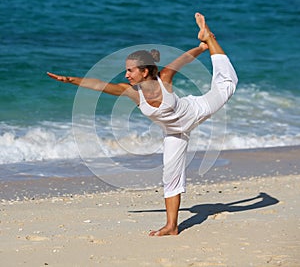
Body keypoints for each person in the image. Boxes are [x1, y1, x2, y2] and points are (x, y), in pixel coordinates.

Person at [47, 12, 238, 236]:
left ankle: (210, 38)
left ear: (144, 71)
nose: (126, 74)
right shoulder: (132, 92)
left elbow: (185, 59)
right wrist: (71, 80)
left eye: (130, 70)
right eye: (126, 70)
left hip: (195, 111)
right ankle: (172, 226)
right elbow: (99, 85)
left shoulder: (164, 78)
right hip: (174, 132)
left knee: (227, 85)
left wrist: (203, 47)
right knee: (170, 174)